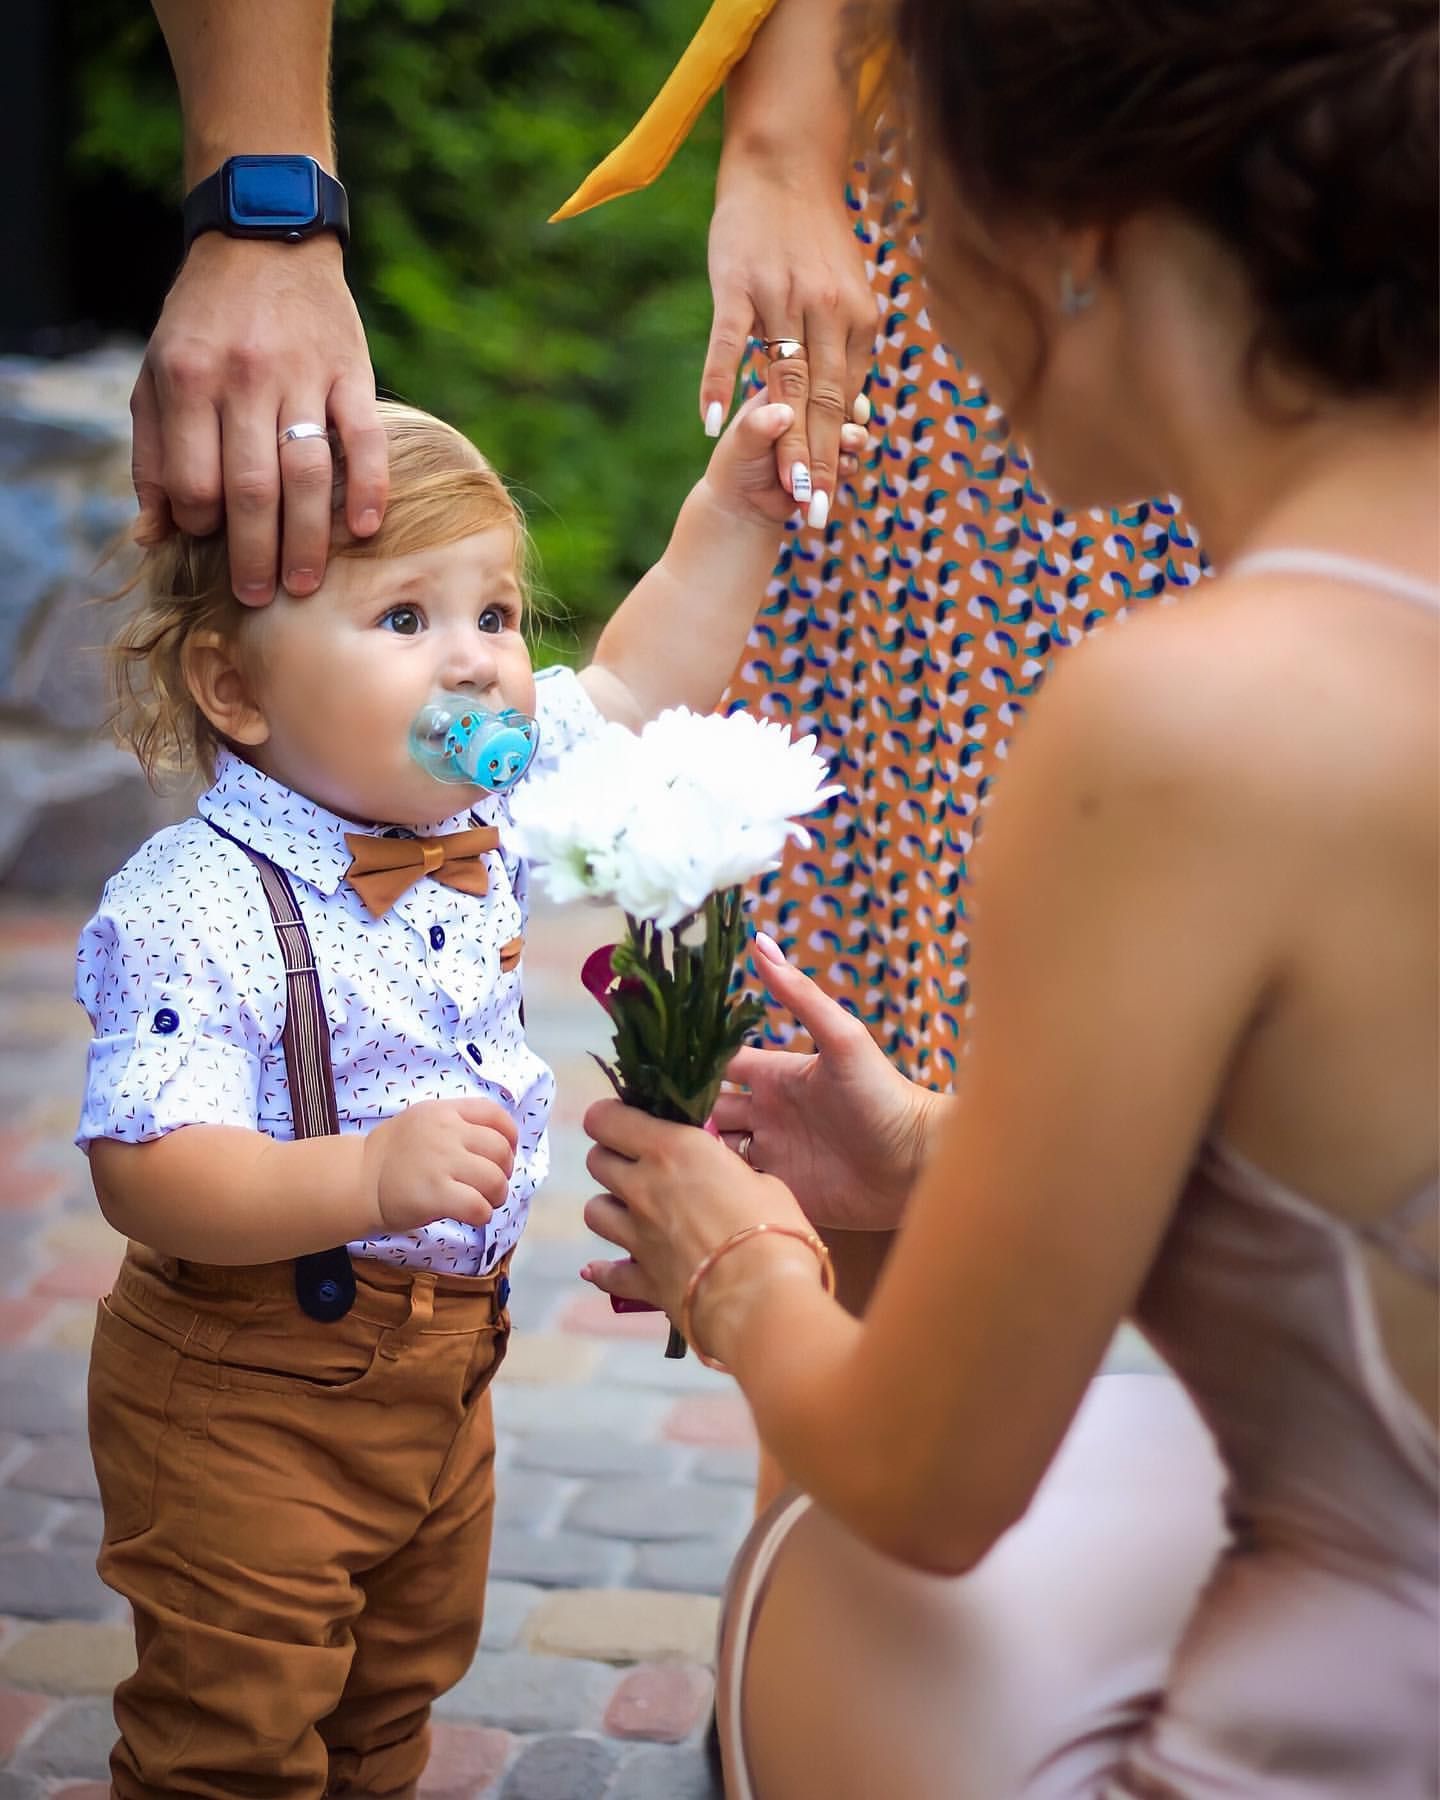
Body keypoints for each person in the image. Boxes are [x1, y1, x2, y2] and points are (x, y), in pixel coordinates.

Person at [580, 1, 1440, 1793]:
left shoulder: (1177, 721)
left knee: (834, 1579)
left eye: (912, 182)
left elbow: (927, 1480)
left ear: (1077, 238)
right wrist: (925, 1152)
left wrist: (733, 1263)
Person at [77, 388, 861, 1795]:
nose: (477, 667)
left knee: (394, 1691)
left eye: (495, 616)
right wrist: (361, 1178)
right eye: (404, 621)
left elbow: (636, 684)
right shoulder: (197, 901)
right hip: (249, 1386)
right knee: (233, 1728)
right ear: (236, 686)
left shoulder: (476, 803)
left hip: (449, 1372)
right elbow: (147, 1163)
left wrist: (734, 518)